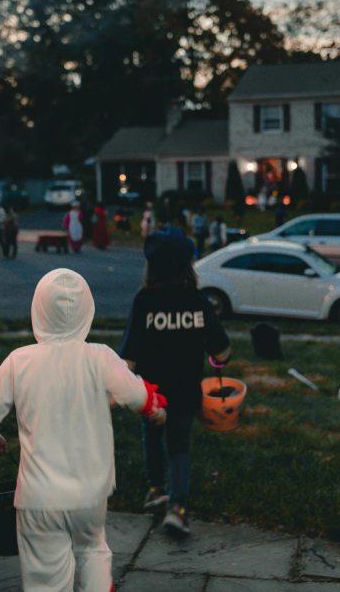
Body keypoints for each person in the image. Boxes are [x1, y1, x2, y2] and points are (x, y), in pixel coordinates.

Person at [0, 269, 168, 591]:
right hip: (89, 494)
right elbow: (136, 394)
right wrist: (155, 409)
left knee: (46, 575)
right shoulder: (99, 357)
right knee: (93, 550)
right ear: (87, 310)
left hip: (39, 497)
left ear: (38, 311)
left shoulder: (19, 362)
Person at [120, 228, 231, 536]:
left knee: (152, 436)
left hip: (151, 393)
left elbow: (128, 357)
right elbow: (222, 351)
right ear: (187, 267)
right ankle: (177, 509)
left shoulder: (143, 302)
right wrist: (217, 361)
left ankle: (155, 489)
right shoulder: (197, 301)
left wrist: (122, 388)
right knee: (179, 446)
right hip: (185, 391)